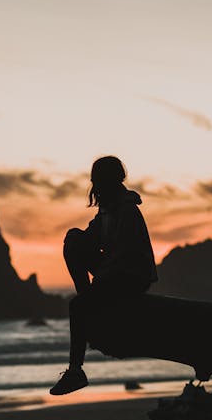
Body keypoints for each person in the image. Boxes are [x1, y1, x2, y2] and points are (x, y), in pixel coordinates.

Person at [50, 156, 158, 395]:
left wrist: (101, 279)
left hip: (132, 276)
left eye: (96, 181)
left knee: (78, 307)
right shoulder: (107, 211)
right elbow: (89, 239)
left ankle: (76, 370)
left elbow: (128, 256)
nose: (94, 187)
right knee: (73, 238)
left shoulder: (126, 211)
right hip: (115, 270)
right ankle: (90, 305)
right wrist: (75, 238)